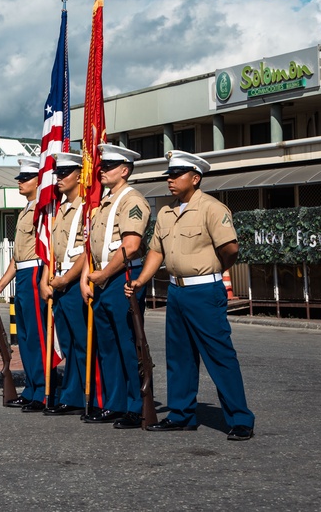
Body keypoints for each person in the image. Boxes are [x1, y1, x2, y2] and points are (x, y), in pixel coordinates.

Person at [126, 150, 256, 440]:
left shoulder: (211, 208)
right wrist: (140, 281)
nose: (170, 180)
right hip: (176, 290)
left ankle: (240, 419)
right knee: (179, 356)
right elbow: (156, 251)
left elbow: (230, 249)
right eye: (169, 176)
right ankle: (182, 414)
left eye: (176, 175)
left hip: (204, 291)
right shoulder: (167, 212)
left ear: (195, 178)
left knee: (219, 356)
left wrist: (212, 271)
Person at [81, 143, 152, 428]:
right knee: (108, 345)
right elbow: (93, 246)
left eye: (109, 167)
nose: (102, 171)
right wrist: (91, 276)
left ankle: (136, 405)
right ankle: (115, 403)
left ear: (124, 170)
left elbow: (131, 247)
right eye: (102, 166)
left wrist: (103, 275)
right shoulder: (105, 202)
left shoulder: (131, 200)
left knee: (126, 344)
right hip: (103, 279)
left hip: (121, 278)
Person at [0, 158, 53, 412]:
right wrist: (1, 284)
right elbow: (17, 256)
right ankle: (33, 388)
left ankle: (45, 390)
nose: (20, 182)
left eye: (25, 178)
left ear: (39, 181)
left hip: (37, 273)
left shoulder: (43, 209)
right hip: (24, 275)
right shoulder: (26, 209)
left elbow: (45, 250)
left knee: (37, 335)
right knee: (24, 336)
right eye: (20, 178)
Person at [39, 152, 88, 415]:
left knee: (81, 342)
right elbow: (54, 250)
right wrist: (48, 278)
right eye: (57, 173)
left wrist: (67, 279)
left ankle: (81, 395)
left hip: (72, 280)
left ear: (80, 174)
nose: (58, 178)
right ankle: (73, 394)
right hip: (59, 280)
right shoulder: (62, 208)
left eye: (65, 173)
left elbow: (85, 249)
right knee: (68, 342)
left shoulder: (85, 206)